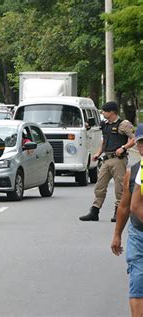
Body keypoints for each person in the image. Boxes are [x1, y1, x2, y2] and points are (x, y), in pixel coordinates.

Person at [80, 101, 135, 221]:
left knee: (119, 187)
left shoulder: (123, 124)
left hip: (118, 160)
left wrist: (123, 148)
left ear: (112, 112)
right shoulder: (105, 124)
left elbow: (133, 139)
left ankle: (118, 212)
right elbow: (104, 141)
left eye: (104, 111)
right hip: (106, 159)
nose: (102, 113)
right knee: (99, 186)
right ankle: (94, 211)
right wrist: (98, 153)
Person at [111, 123, 143, 316]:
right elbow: (125, 207)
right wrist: (117, 235)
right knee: (138, 284)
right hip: (139, 236)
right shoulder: (132, 173)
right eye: (141, 143)